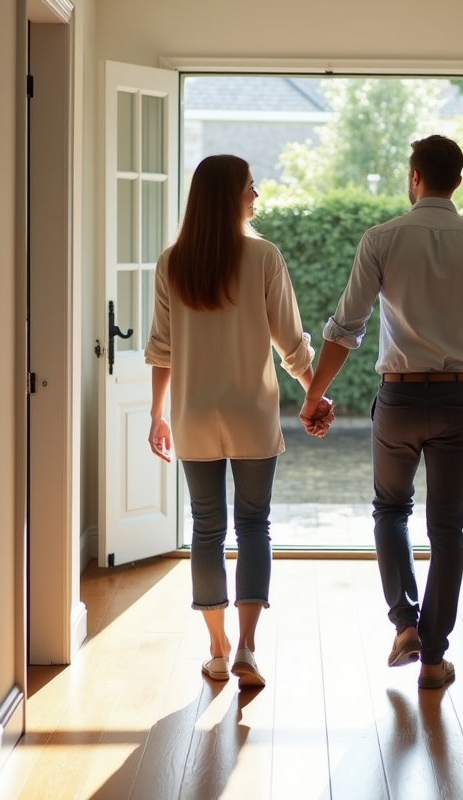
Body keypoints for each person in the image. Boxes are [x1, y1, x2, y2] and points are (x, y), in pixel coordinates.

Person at [299, 135, 463, 690]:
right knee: (448, 528)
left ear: (414, 177)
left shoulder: (382, 239)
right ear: (458, 181)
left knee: (390, 511)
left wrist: (313, 396)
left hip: (398, 399)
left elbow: (344, 329)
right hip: (458, 400)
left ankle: (405, 624)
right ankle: (433, 658)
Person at [146, 154, 333, 689]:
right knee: (253, 525)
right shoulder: (264, 257)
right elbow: (291, 343)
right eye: (252, 188)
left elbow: (162, 350)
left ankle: (218, 648)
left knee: (206, 527)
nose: (258, 197)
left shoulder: (172, 262)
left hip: (195, 414)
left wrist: (157, 415)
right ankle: (248, 648)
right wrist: (312, 395)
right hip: (252, 411)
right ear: (230, 195)